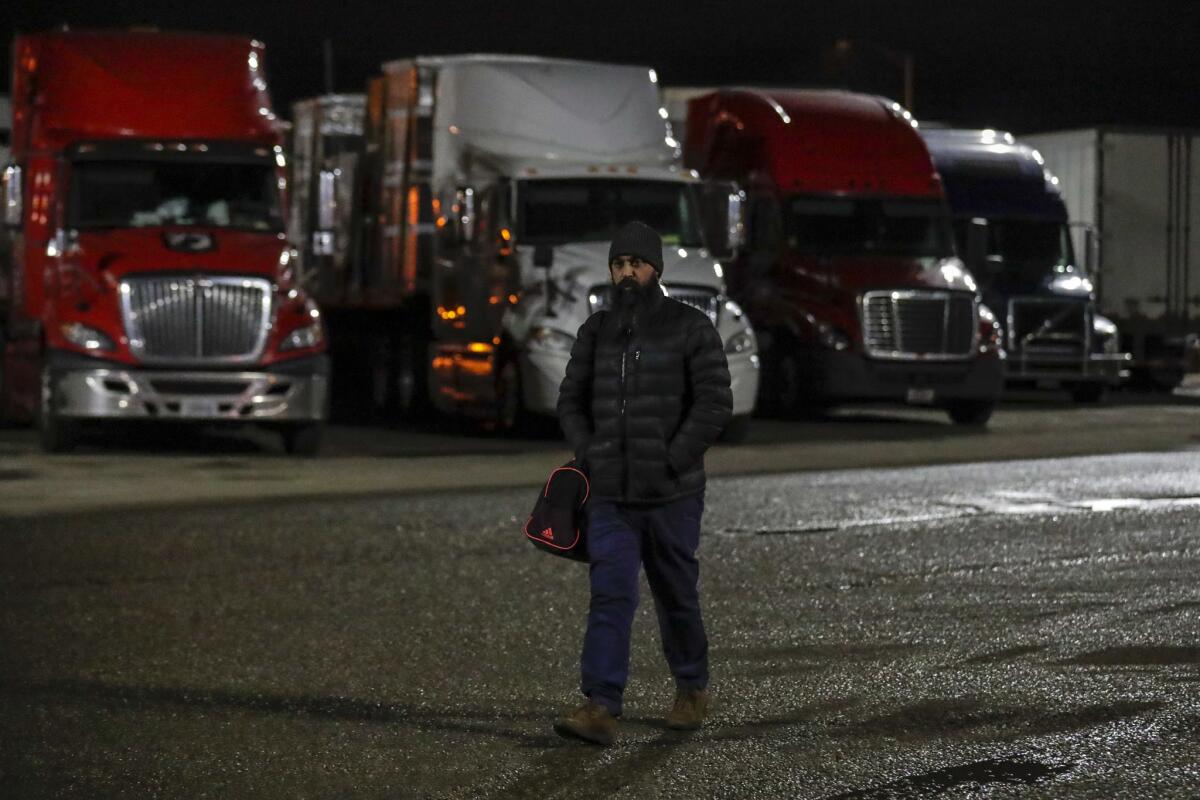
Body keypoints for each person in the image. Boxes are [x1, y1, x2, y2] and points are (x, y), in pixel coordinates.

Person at [554, 220, 733, 745]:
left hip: (672, 495)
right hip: (610, 494)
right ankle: (600, 705)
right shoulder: (597, 331)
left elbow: (714, 402)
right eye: (618, 264)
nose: (627, 273)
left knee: (675, 593)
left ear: (656, 268)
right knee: (610, 595)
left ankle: (691, 686)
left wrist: (673, 459)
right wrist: (590, 452)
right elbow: (571, 400)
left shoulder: (690, 327)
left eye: (636, 263)